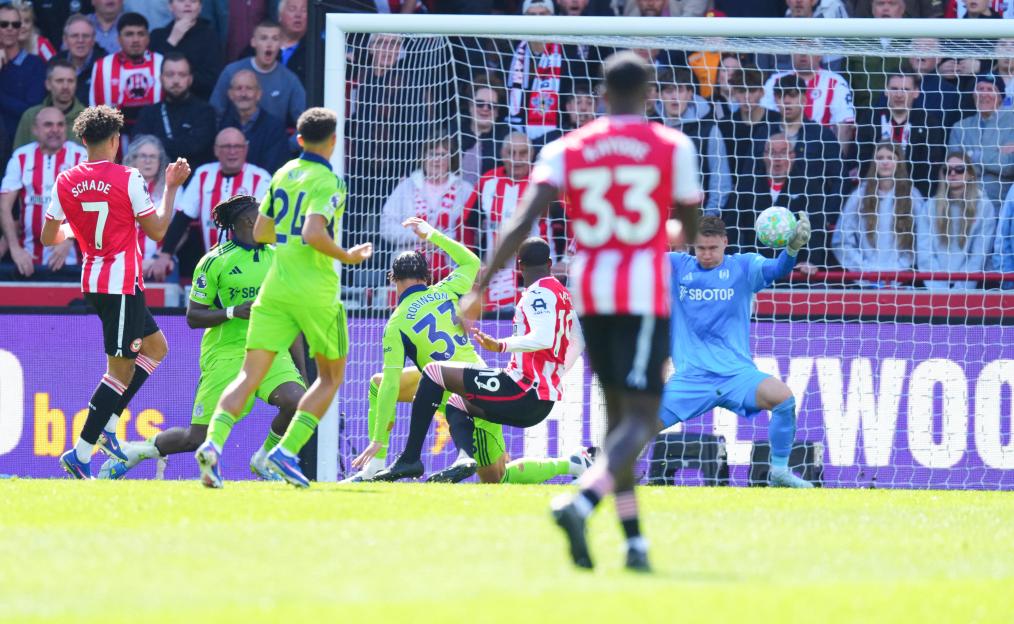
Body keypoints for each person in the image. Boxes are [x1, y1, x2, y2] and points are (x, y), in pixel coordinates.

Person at [460, 52, 703, 572]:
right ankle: (582, 501)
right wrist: (655, 234)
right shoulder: (670, 146)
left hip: (590, 291)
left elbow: (524, 219)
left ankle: (634, 542)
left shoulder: (567, 147)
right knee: (641, 418)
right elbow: (689, 222)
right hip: (638, 292)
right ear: (648, 92)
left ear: (601, 92)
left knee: (619, 422)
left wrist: (482, 285)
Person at [194, 107, 372, 489]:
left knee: (248, 375)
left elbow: (260, 231)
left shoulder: (281, 174)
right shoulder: (329, 181)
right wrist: (348, 255)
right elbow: (313, 233)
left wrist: (287, 244)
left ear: (300, 140)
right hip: (314, 291)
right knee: (330, 378)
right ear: (333, 141)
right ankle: (285, 452)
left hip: (275, 288)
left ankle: (213, 445)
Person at [98, 195, 308, 481]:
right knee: (196, 439)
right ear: (249, 221)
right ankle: (140, 450)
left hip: (271, 350)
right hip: (225, 354)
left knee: (297, 401)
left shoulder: (278, 258)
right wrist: (234, 311)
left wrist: (302, 372)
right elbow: (193, 316)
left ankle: (265, 459)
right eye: (266, 214)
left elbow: (289, 318)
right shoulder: (214, 261)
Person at [365, 231, 591, 486]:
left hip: (509, 388)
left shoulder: (536, 293)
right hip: (487, 382)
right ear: (550, 264)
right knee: (491, 470)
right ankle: (571, 462)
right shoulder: (446, 289)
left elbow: (543, 337)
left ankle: (395, 460)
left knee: (401, 379)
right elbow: (472, 263)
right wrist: (555, 373)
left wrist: (502, 345)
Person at [39, 105, 190, 478]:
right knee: (119, 373)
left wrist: (76, 231)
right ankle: (82, 453)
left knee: (156, 348)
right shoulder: (128, 177)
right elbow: (157, 231)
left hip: (96, 279)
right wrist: (170, 187)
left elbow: (47, 237)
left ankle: (108, 424)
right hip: (119, 284)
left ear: (83, 140)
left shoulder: (65, 179)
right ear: (114, 140)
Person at [663, 215, 813, 487]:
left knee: (783, 399)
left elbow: (778, 269)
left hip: (736, 375)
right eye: (700, 248)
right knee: (636, 427)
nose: (706, 255)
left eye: (713, 248)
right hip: (691, 378)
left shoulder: (743, 267)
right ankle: (611, 473)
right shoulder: (675, 266)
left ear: (725, 243)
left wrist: (792, 249)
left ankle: (779, 471)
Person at [150, 127, 270, 281]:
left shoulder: (261, 178)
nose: (232, 151)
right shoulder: (203, 174)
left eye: (237, 146)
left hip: (251, 266)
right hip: (214, 267)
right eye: (226, 147)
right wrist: (166, 254)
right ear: (216, 150)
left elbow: (263, 223)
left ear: (246, 149)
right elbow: (183, 216)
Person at [462, 132, 555, 312]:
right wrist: (472, 262)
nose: (517, 159)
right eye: (511, 153)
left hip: (539, 275)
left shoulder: (544, 183)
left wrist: (566, 258)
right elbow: (466, 223)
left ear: (532, 154)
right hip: (496, 277)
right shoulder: (487, 181)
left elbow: (568, 221)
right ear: (502, 154)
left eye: (522, 153)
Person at [0, 107, 86, 279]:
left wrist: (69, 238)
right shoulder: (21, 157)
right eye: (48, 125)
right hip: (28, 258)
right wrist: (15, 248)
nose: (55, 130)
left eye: (60, 125)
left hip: (72, 258)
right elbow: (4, 206)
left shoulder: (81, 157)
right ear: (35, 130)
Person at [380, 133, 473, 283]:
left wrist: (439, 240)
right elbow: (386, 227)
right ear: (423, 157)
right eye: (432, 154)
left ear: (451, 159)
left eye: (442, 155)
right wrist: (417, 236)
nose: (436, 160)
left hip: (452, 272)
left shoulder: (465, 189)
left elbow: (470, 232)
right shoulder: (406, 187)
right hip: (409, 270)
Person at [833, 142, 927, 273]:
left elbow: (921, 240)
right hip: (865, 279)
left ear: (899, 162)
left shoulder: (913, 196)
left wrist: (899, 268)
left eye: (890, 158)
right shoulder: (859, 195)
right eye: (880, 158)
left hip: (901, 279)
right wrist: (864, 268)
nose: (885, 162)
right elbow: (841, 241)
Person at [856, 71, 946, 199]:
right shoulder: (870, 119)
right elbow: (863, 160)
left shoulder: (929, 123)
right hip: (874, 192)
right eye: (894, 89)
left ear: (916, 92)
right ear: (886, 91)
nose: (899, 94)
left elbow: (930, 167)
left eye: (905, 89)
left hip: (915, 194)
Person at [917, 152, 998, 289]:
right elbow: (925, 254)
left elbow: (978, 256)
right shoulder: (929, 206)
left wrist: (960, 291)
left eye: (959, 169)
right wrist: (939, 290)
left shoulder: (984, 206)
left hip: (970, 288)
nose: (953, 173)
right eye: (948, 170)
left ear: (970, 174)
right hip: (934, 288)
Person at [657, 69, 732, 215]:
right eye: (669, 91)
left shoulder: (709, 131)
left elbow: (721, 183)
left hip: (697, 219)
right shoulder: (652, 128)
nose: (674, 97)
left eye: (680, 90)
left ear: (690, 94)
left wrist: (706, 219)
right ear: (660, 95)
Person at [209, 19, 305, 131]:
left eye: (275, 39)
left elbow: (306, 122)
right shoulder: (231, 71)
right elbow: (214, 114)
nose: (269, 44)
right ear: (253, 42)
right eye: (264, 38)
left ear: (280, 43)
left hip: (272, 143)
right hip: (233, 144)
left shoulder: (289, 79)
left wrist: (287, 145)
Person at [761, 51, 855, 152]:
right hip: (779, 149)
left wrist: (837, 161)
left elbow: (844, 125)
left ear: (820, 55)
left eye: (808, 49)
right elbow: (763, 120)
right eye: (798, 49)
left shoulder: (836, 82)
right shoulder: (775, 80)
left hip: (819, 151)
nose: (803, 54)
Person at [133, 53, 216, 167]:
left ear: (190, 79)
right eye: (170, 75)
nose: (176, 80)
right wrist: (180, 144)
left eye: (182, 75)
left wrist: (156, 143)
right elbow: (139, 145)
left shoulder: (205, 112)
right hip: (156, 180)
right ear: (161, 78)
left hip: (194, 179)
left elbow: (196, 147)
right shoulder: (148, 113)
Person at [89, 12, 164, 133]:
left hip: (157, 138)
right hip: (116, 140)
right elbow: (96, 110)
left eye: (141, 34)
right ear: (118, 39)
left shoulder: (162, 63)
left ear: (148, 38)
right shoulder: (103, 66)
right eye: (129, 34)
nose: (135, 40)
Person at [947, 75, 1014, 206]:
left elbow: (1008, 167)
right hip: (965, 203)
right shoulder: (960, 127)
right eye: (980, 89)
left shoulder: (1012, 123)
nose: (984, 94)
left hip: (1001, 203)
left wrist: (972, 155)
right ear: (973, 95)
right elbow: (956, 168)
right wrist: (996, 155)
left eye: (990, 89)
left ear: (1000, 96)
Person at [218, 68, 288, 173]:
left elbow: (275, 168)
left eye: (249, 88)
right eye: (238, 88)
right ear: (230, 94)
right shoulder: (222, 125)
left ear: (259, 94)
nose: (243, 94)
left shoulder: (274, 127)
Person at [149, 0, 222, 100]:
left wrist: (181, 78)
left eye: (193, 1)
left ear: (200, 7)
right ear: (170, 6)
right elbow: (152, 73)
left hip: (198, 102)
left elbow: (212, 78)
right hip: (162, 102)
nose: (187, 4)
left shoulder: (210, 36)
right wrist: (172, 40)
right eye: (181, 1)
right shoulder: (157, 35)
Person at [121, 134, 168, 278]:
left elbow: (179, 231)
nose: (148, 161)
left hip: (159, 262)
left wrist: (157, 258)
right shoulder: (119, 187)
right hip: (123, 262)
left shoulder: (171, 188)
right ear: (133, 160)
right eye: (143, 156)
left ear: (160, 161)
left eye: (153, 157)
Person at [0, 2, 46, 146]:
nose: (10, 29)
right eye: (4, 24)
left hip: (20, 146)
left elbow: (31, 112)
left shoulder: (35, 64)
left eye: (15, 24)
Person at [14, 58, 86, 148]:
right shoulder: (31, 116)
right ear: (48, 84)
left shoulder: (88, 120)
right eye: (59, 81)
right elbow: (18, 155)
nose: (65, 86)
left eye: (70, 81)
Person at [459, 81, 508, 186]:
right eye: (480, 104)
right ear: (470, 106)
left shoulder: (507, 137)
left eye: (492, 106)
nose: (485, 108)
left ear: (497, 112)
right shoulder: (454, 132)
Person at [56, 13, 108, 106]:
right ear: (65, 40)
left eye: (85, 36)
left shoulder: (106, 65)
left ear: (93, 40)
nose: (80, 40)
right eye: (75, 36)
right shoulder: (55, 63)